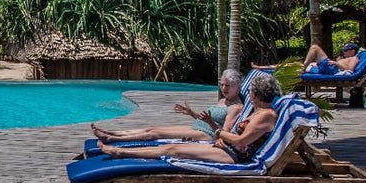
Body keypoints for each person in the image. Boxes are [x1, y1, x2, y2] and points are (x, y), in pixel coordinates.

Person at [97, 70, 280, 165]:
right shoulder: (259, 112)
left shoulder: (265, 115)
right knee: (170, 147)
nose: (249, 94)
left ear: (256, 95)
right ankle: (117, 147)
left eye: (251, 92)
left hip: (233, 155)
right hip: (225, 148)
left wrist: (217, 131)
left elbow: (241, 139)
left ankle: (119, 152)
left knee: (171, 149)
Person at [92, 69, 243, 143]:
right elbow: (209, 119)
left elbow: (224, 133)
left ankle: (114, 140)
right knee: (152, 128)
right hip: (198, 127)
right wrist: (191, 113)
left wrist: (209, 122)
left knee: (156, 134)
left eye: (228, 86)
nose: (224, 88)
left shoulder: (236, 107)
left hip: (207, 135)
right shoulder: (223, 101)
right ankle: (113, 133)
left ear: (238, 87)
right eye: (222, 85)